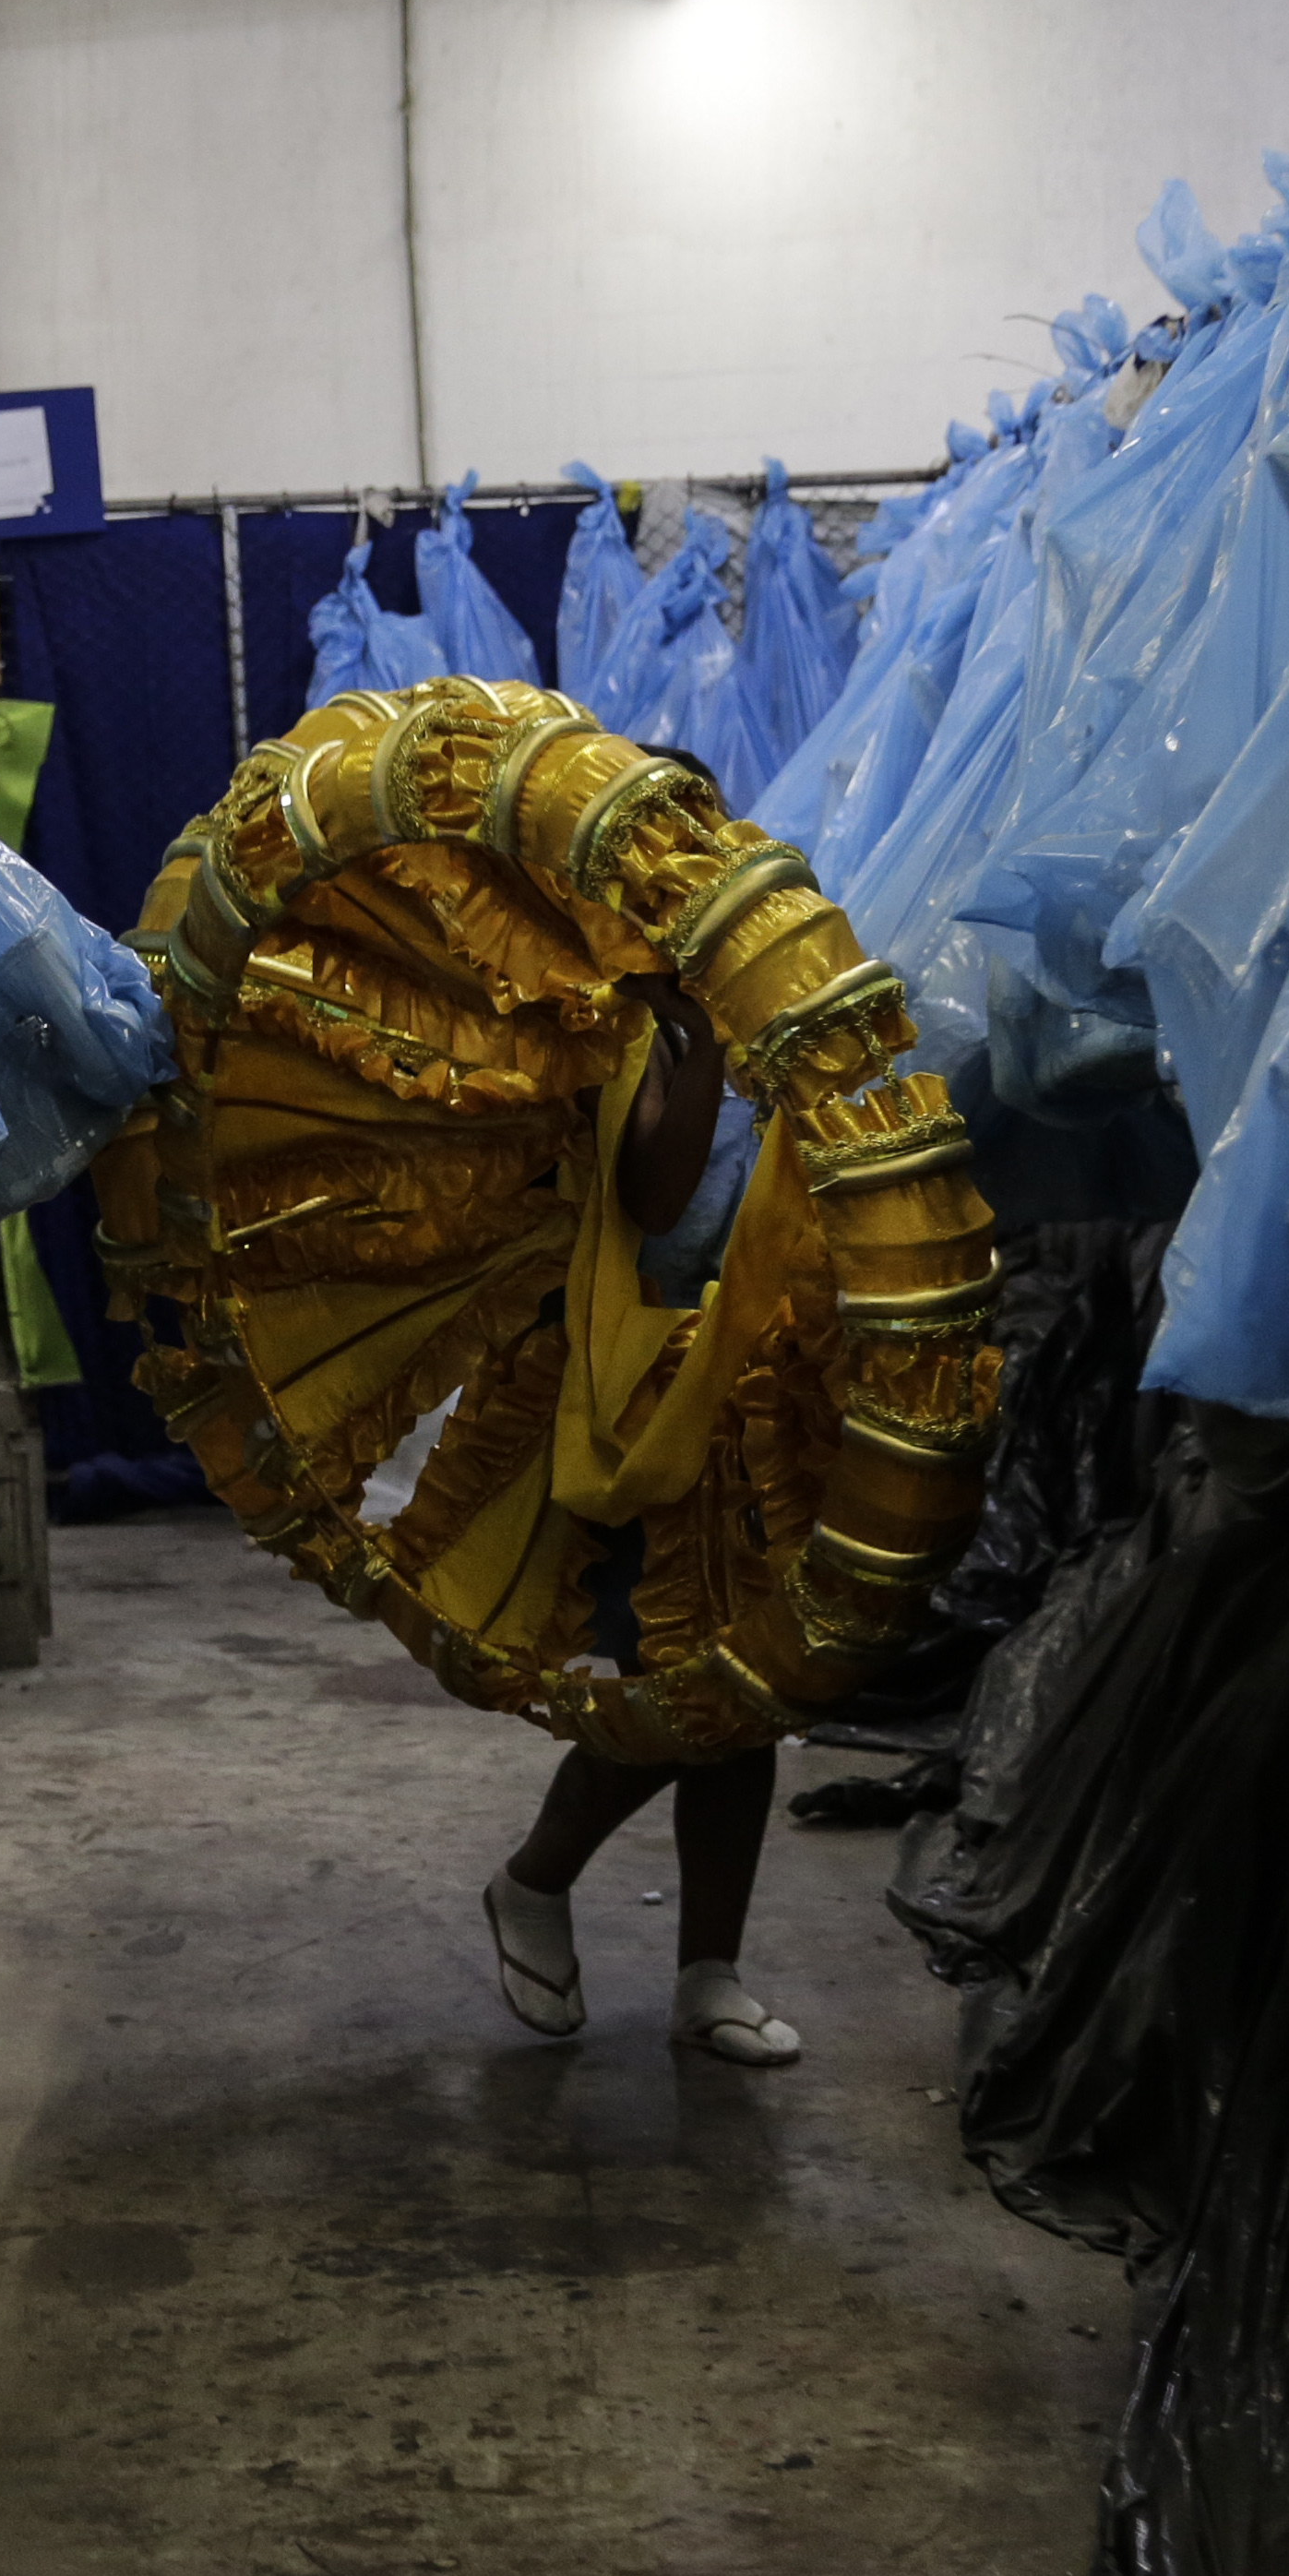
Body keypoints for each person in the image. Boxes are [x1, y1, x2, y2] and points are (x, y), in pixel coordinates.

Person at [475, 846, 800, 2068]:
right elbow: (656, 1198)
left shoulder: (763, 996)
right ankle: (535, 1878)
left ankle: (707, 1972)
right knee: (681, 1675)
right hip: (637, 1395)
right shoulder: (600, 1022)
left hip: (762, 1387)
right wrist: (690, 1028)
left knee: (755, 1684)